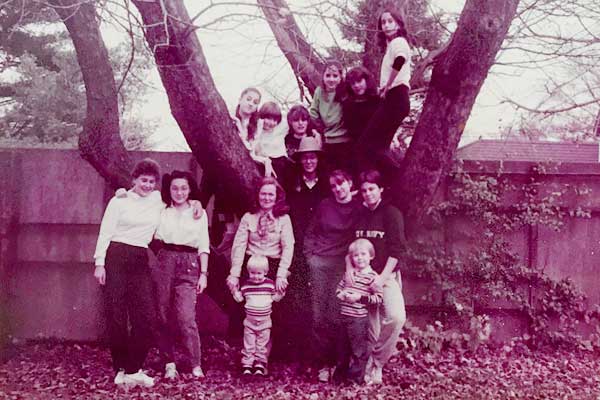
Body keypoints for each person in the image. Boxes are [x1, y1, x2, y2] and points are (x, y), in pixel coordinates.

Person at [93, 159, 163, 388]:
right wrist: (100, 263)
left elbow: (181, 199)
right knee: (117, 315)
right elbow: (105, 231)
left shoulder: (157, 200)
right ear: (134, 180)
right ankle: (121, 369)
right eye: (144, 180)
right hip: (116, 255)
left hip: (139, 257)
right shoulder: (119, 200)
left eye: (152, 181)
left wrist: (193, 204)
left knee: (147, 318)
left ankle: (133, 368)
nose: (148, 185)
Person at [303, 169, 362, 382]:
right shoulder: (325, 205)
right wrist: (311, 257)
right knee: (319, 316)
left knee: (336, 315)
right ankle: (321, 364)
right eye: (334, 186)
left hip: (342, 264)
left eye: (341, 183)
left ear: (349, 183)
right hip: (320, 262)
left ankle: (336, 364)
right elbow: (311, 232)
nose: (338, 189)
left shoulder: (358, 207)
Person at [351, 169, 407, 385]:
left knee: (396, 317)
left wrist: (381, 279)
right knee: (371, 327)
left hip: (386, 276)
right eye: (364, 190)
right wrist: (350, 271)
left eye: (372, 189)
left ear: (380, 189)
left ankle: (376, 360)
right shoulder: (359, 214)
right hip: (362, 277)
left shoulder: (391, 213)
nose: (368, 194)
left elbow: (397, 251)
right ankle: (373, 369)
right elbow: (351, 248)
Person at [152, 170, 209, 380]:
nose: (179, 192)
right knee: (162, 313)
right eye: (175, 188)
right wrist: (122, 192)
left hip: (189, 263)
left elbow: (203, 244)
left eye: (184, 188)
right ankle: (169, 362)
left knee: (186, 317)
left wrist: (203, 273)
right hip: (165, 259)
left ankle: (195, 363)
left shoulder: (198, 212)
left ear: (190, 189)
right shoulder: (161, 209)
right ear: (169, 190)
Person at [226, 177, 295, 348]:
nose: (266, 198)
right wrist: (234, 274)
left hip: (272, 267)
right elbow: (239, 246)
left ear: (276, 196)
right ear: (257, 195)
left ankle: (266, 354)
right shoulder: (248, 217)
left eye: (270, 194)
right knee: (247, 308)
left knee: (273, 310)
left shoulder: (284, 219)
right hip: (252, 267)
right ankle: (247, 353)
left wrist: (281, 274)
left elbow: (288, 247)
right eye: (263, 194)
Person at [284, 134, 330, 360]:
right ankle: (295, 351)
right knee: (297, 298)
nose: (309, 162)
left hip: (320, 249)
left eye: (313, 158)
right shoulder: (293, 183)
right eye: (305, 158)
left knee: (319, 300)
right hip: (296, 247)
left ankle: (318, 354)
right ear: (300, 160)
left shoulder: (325, 185)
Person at [356, 9, 411, 170]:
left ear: (399, 24)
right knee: (379, 148)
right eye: (383, 22)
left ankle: (396, 177)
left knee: (365, 145)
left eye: (390, 21)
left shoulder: (398, 42)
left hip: (396, 97)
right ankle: (391, 181)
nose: (386, 25)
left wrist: (387, 85)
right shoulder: (392, 45)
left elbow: (400, 60)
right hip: (396, 98)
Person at [335, 239, 382, 384]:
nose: (360, 258)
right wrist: (341, 294)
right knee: (342, 348)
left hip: (359, 320)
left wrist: (359, 298)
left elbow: (378, 298)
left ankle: (355, 379)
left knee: (358, 350)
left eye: (363, 254)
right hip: (344, 317)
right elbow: (338, 289)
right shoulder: (349, 274)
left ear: (371, 256)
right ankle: (339, 376)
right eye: (356, 255)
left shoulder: (372, 277)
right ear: (351, 258)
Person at [231, 255, 285, 376]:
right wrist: (234, 291)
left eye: (259, 273)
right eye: (252, 273)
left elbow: (275, 298)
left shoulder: (270, 285)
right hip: (249, 323)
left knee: (262, 344)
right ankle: (247, 364)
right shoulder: (246, 286)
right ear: (248, 272)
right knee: (249, 343)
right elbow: (239, 299)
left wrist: (281, 293)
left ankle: (260, 363)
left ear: (265, 272)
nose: (256, 276)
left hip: (265, 323)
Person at [309, 60, 351, 170]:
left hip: (345, 141)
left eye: (335, 76)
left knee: (344, 172)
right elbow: (313, 113)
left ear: (341, 77)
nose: (331, 79)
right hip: (327, 141)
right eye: (328, 75)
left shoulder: (346, 92)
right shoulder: (319, 91)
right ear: (323, 76)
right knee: (328, 172)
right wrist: (316, 131)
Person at [342, 66, 381, 143]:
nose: (356, 86)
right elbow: (350, 129)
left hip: (380, 142)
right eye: (352, 83)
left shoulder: (378, 99)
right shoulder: (348, 104)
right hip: (358, 145)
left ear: (366, 80)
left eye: (359, 81)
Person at [253, 101, 288, 179]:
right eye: (268, 118)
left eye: (275, 120)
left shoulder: (282, 127)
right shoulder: (257, 130)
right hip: (263, 163)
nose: (272, 123)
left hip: (280, 162)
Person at [234, 87, 262, 151]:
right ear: (240, 100)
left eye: (255, 102)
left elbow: (251, 148)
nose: (251, 104)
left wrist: (240, 128)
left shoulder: (258, 123)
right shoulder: (231, 115)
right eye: (248, 99)